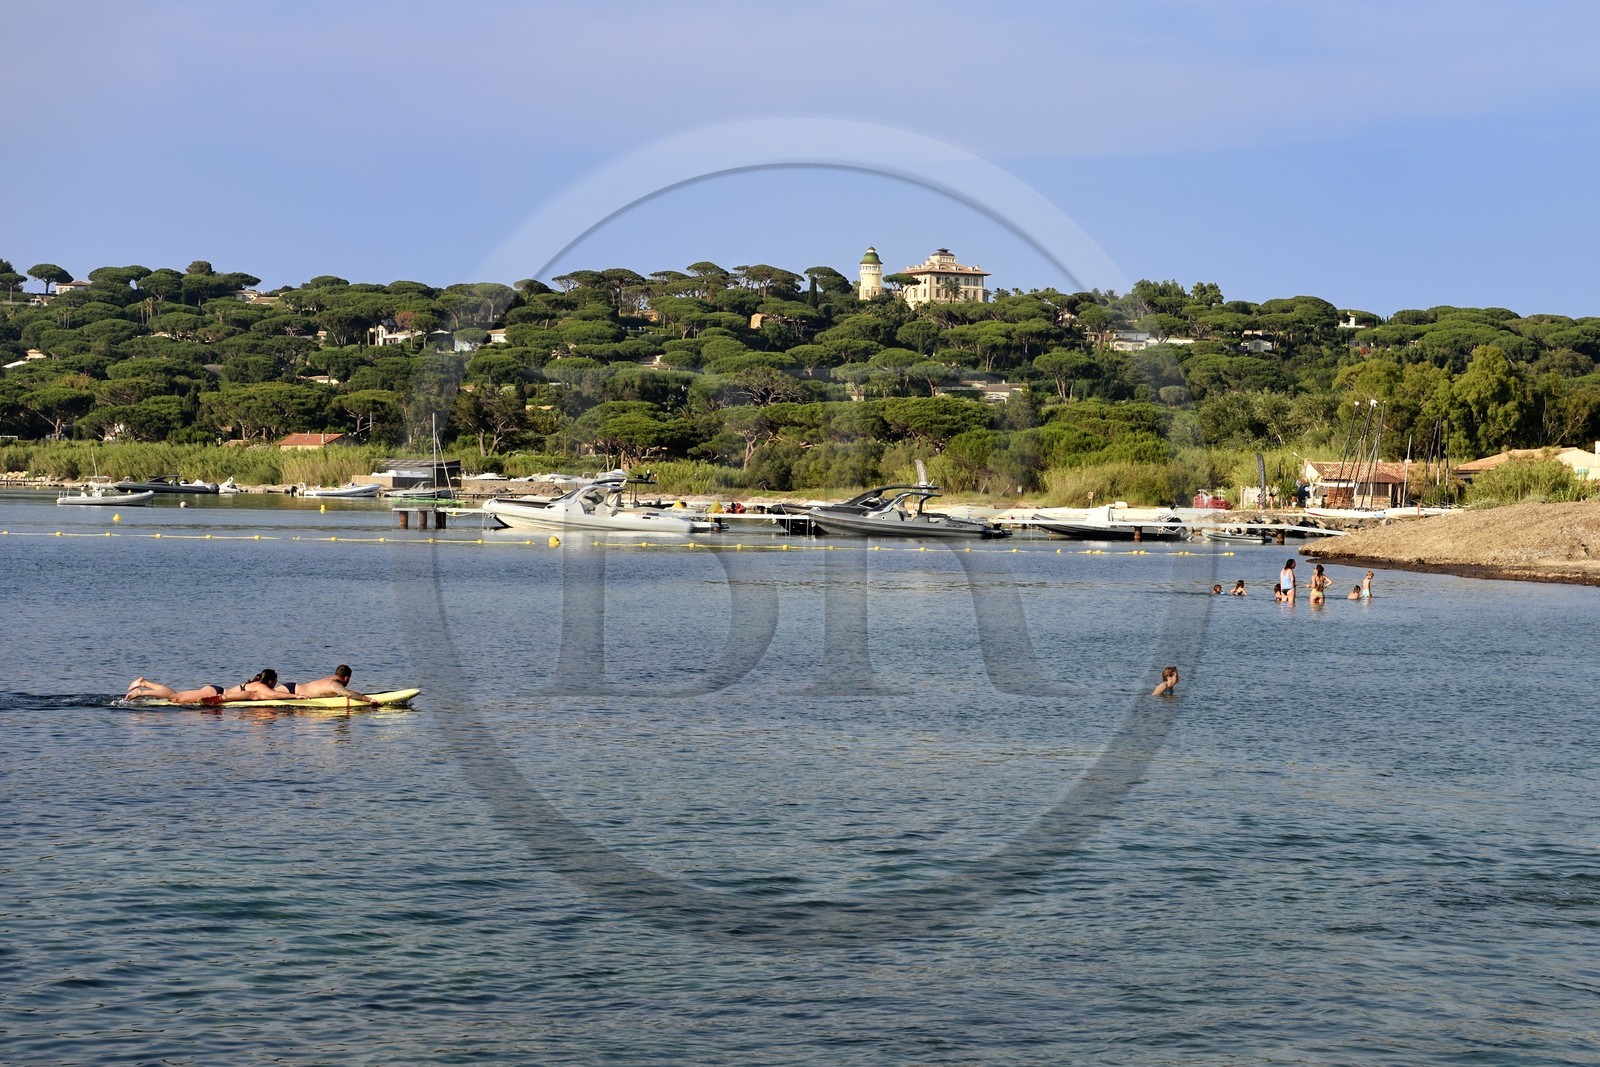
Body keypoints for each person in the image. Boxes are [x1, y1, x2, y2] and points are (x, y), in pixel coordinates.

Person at [289, 664, 374, 704]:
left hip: (293, 688)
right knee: (274, 695)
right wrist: (368, 699)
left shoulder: (330, 679)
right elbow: (347, 693)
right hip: (292, 691)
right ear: (346, 678)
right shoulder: (334, 684)